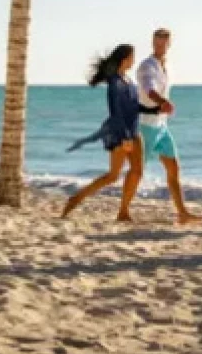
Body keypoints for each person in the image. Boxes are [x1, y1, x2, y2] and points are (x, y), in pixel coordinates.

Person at [62, 44, 158, 222]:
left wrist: (154, 110)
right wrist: (125, 137)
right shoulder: (114, 82)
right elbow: (116, 111)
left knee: (137, 171)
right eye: (132, 57)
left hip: (135, 130)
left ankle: (123, 211)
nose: (134, 60)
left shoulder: (128, 80)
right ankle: (76, 198)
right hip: (120, 133)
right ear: (125, 59)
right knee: (113, 175)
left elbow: (133, 107)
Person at [136, 28, 202, 225]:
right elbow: (149, 90)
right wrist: (162, 101)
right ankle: (123, 210)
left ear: (169, 44)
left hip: (161, 126)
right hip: (146, 126)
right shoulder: (146, 66)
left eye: (164, 43)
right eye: (157, 43)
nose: (161, 46)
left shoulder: (168, 67)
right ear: (152, 43)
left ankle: (182, 213)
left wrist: (164, 106)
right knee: (136, 172)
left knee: (174, 167)